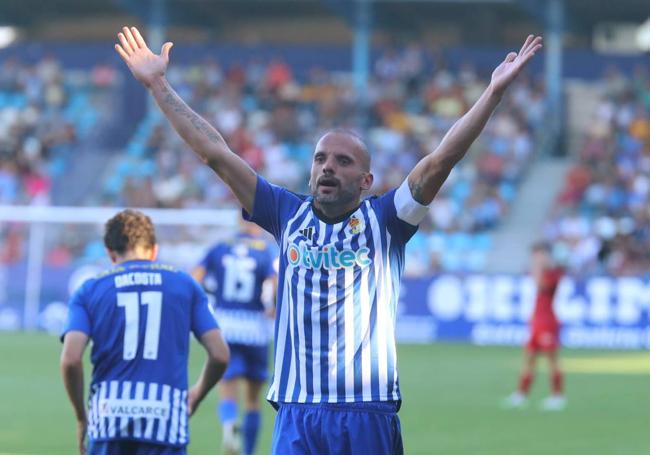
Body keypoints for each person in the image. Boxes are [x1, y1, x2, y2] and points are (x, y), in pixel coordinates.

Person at [115, 26, 542, 454]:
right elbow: (215, 153)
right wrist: (158, 84)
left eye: (343, 161)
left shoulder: (388, 220)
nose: (328, 167)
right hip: (297, 410)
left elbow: (441, 160)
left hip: (366, 410)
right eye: (321, 159)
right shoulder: (284, 213)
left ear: (366, 180)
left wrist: (492, 95)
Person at [60, 209, 230, 455]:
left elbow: (71, 359)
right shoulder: (184, 284)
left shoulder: (90, 289)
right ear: (154, 250)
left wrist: (80, 416)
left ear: (110, 253)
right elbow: (220, 354)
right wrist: (197, 394)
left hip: (108, 418)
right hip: (165, 421)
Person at [191, 221, 277, 455]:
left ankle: (229, 425)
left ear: (239, 222)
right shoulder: (265, 250)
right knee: (252, 398)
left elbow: (194, 279)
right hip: (256, 330)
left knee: (227, 387)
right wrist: (271, 306)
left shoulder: (220, 247)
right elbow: (273, 283)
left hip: (225, 327)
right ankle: (248, 451)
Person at [504, 242, 566, 411]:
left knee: (552, 360)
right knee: (529, 358)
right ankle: (521, 394)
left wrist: (537, 268)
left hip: (548, 322)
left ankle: (557, 396)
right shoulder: (543, 271)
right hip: (537, 321)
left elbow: (542, 287)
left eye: (539, 255)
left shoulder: (554, 273)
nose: (536, 259)